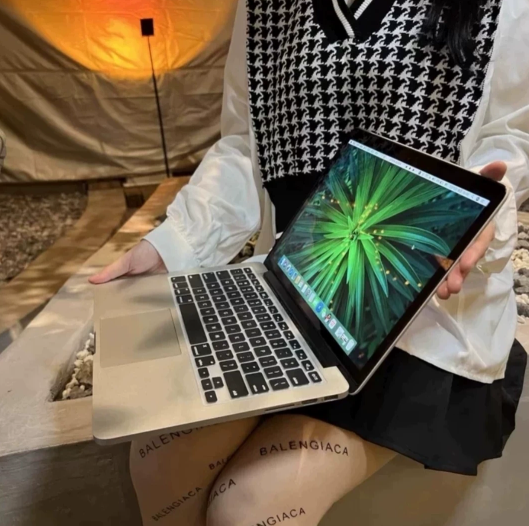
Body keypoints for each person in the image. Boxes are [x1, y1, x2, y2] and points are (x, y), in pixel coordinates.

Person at [90, 0, 529, 524]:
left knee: (248, 507)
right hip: (289, 289)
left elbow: (512, 137)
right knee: (159, 460)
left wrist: (478, 213)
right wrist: (170, 244)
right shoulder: (264, 7)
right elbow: (245, 147)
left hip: (420, 318)